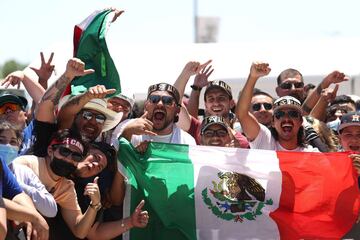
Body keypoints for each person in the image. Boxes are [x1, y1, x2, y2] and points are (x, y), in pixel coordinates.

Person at [13, 129, 101, 239]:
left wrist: (94, 204)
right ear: (50, 150)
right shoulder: (26, 164)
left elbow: (79, 231)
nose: (69, 159)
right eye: (64, 152)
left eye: (76, 156)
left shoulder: (66, 187)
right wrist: (33, 217)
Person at [236, 62, 318, 152]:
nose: (286, 118)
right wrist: (253, 77)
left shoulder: (311, 154)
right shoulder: (264, 141)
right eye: (280, 114)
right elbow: (242, 114)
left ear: (301, 121)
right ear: (272, 122)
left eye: (293, 114)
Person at [173, 61, 249, 147]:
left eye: (221, 98)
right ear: (205, 105)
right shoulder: (196, 128)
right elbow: (174, 103)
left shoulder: (241, 142)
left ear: (231, 103)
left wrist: (237, 153)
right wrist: (185, 74)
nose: (216, 103)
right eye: (211, 99)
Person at [0, 120, 57, 217]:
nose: (8, 145)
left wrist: (19, 186)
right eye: (1, 141)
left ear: (18, 146)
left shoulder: (24, 172)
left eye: (13, 142)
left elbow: (51, 210)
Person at [121, 83, 196, 150]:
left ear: (177, 111)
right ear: (146, 106)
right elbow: (114, 160)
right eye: (154, 99)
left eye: (168, 101)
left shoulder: (187, 142)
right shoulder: (125, 127)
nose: (160, 104)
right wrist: (127, 133)